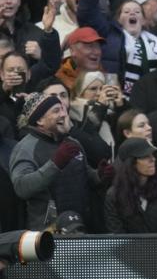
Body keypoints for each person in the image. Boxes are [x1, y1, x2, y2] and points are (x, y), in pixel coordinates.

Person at [9, 92, 103, 231]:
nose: (64, 114)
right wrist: (55, 164)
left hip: (81, 226)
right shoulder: (25, 148)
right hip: (48, 232)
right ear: (40, 120)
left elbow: (86, 176)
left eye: (63, 109)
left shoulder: (72, 142)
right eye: (56, 111)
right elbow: (22, 187)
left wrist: (100, 176)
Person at [105, 138, 157, 233]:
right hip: (130, 248)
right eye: (145, 156)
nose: (153, 159)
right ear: (131, 163)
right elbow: (117, 234)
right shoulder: (114, 196)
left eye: (152, 155)